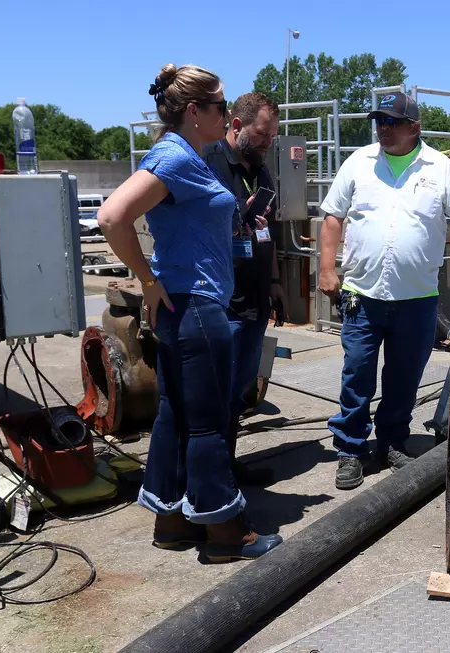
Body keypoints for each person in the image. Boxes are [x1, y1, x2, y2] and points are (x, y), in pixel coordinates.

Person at [97, 63, 282, 562]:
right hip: (197, 306)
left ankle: (172, 519)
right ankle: (225, 532)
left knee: (176, 415)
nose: (227, 113)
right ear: (196, 112)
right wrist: (148, 279)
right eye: (221, 106)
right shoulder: (174, 157)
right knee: (207, 423)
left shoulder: (189, 156)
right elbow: (112, 217)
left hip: (189, 305)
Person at [318, 91, 450, 490]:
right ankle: (350, 449)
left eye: (392, 122)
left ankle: (392, 439)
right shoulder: (359, 162)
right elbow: (332, 217)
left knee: (404, 376)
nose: (384, 128)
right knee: (357, 372)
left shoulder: (440, 168)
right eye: (380, 121)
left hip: (416, 297)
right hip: (363, 292)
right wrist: (326, 267)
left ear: (415, 127)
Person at [203, 92, 285, 486]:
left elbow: (270, 231)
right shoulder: (209, 164)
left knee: (237, 394)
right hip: (221, 305)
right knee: (213, 396)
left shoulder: (262, 172)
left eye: (273, 136)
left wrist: (274, 282)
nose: (269, 143)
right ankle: (210, 477)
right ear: (237, 126)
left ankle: (227, 468)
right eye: (263, 135)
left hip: (253, 303)